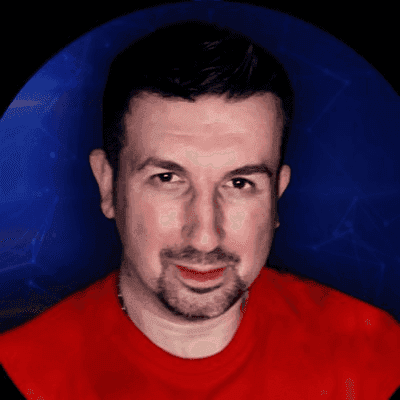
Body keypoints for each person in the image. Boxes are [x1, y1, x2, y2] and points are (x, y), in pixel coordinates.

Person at [1, 20, 400, 400]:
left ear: (276, 196)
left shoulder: (374, 355)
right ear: (108, 185)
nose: (206, 236)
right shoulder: (23, 371)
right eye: (167, 179)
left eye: (239, 184)